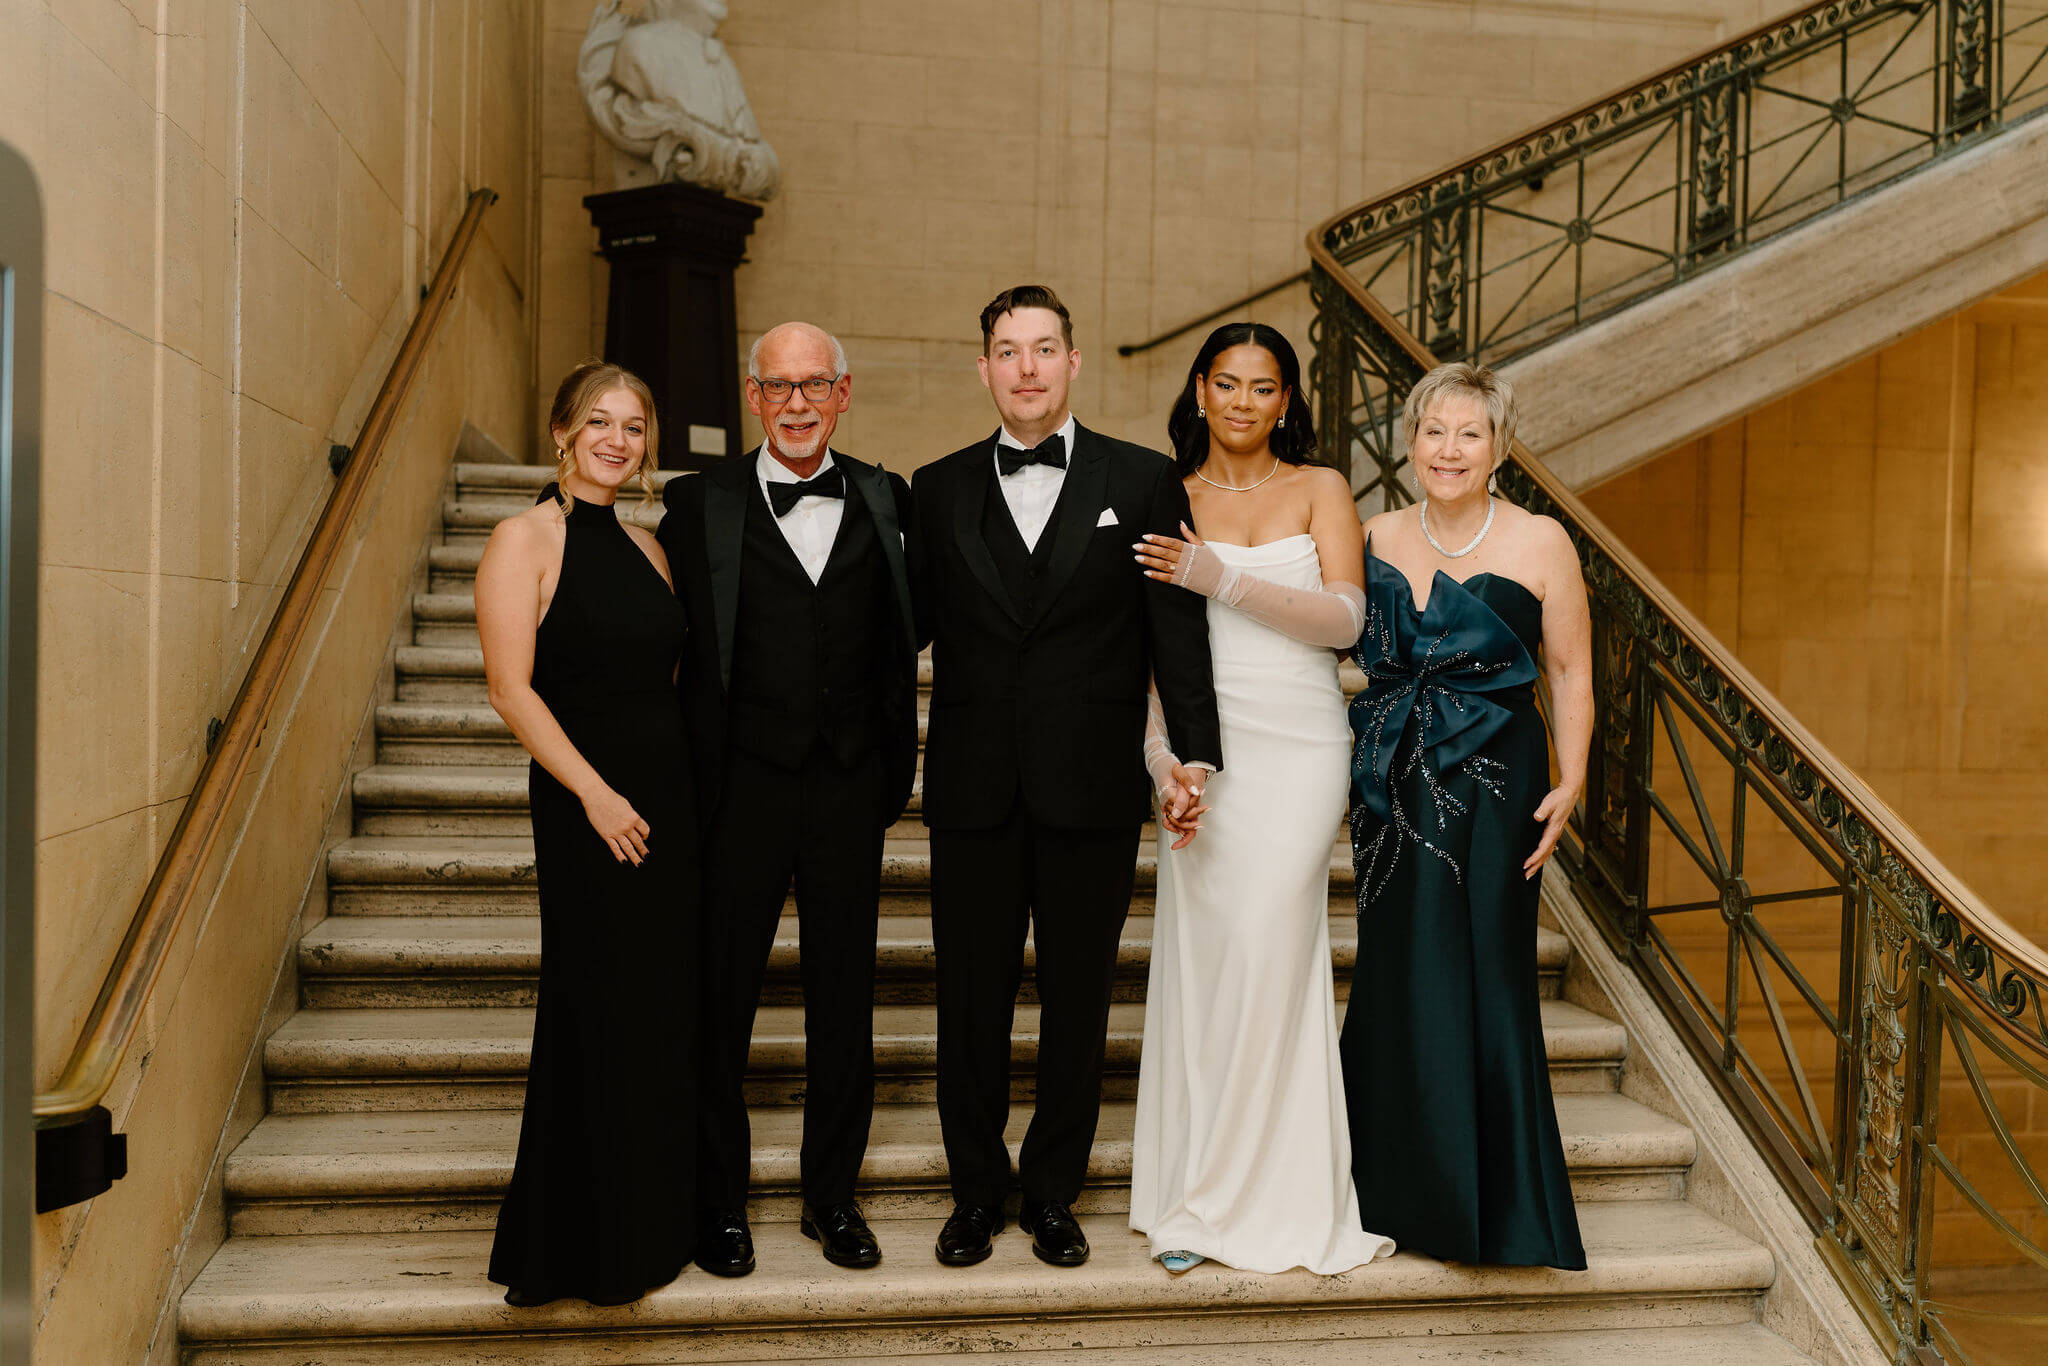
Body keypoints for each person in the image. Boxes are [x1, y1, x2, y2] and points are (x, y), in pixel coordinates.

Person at [912, 285, 1222, 1269]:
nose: (1027, 368)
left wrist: (1193, 753)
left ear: (1073, 361)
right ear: (984, 369)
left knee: (1078, 1001)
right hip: (970, 787)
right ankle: (973, 1194)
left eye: (1043, 348)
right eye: (1007, 351)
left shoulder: (1139, 479)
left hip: (1089, 787)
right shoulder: (937, 486)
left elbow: (1175, 626)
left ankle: (1051, 1191)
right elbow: (896, 631)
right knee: (967, 1000)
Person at [1127, 323, 1396, 1275]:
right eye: (1229, 383)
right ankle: (1196, 1188)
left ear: (1288, 400)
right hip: (1207, 753)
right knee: (1208, 960)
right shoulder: (1166, 494)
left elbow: (1345, 623)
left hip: (1299, 746)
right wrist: (1166, 765)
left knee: (1269, 946)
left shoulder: (1320, 488)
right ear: (1200, 389)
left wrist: (1220, 576)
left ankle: (1251, 1199)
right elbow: (1154, 664)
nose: (1244, 402)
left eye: (1265, 387)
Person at [657, 322, 918, 1275]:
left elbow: (907, 638)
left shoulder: (891, 501)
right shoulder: (696, 506)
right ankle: (717, 1204)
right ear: (753, 397)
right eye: (779, 387)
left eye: (815, 385)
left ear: (844, 393)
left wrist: (892, 764)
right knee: (719, 1000)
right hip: (739, 790)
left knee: (844, 1002)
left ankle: (831, 1200)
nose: (798, 403)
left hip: (849, 784)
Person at [1342, 361, 1593, 1269]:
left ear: (1499, 448)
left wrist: (1571, 779)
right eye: (1433, 432)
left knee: (1485, 969)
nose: (1448, 450)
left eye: (1469, 434)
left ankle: (1490, 1206)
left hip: (1499, 782)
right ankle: (1384, 1189)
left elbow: (1568, 671)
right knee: (1399, 967)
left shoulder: (1541, 543)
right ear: (1411, 443)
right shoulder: (1370, 533)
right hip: (1395, 782)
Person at [479, 360, 696, 1307]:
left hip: (668, 805)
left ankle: (646, 1226)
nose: (618, 439)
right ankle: (574, 1245)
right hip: (586, 809)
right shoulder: (523, 537)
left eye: (635, 426)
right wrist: (597, 796)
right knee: (592, 1004)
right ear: (563, 431)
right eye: (600, 422)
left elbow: (673, 683)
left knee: (654, 1013)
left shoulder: (651, 548)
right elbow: (509, 690)